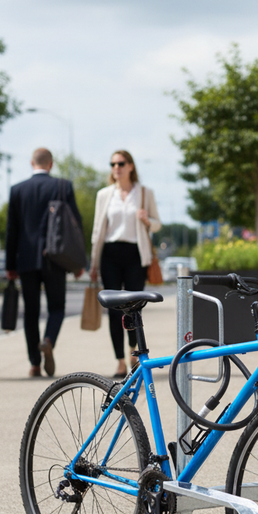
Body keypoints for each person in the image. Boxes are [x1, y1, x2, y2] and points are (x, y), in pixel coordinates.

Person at [6, 148, 83, 377]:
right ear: (51, 164)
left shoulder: (17, 190)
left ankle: (34, 364)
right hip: (55, 258)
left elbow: (12, 230)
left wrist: (10, 265)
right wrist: (78, 262)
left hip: (27, 259)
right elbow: (74, 225)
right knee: (56, 307)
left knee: (31, 312)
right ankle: (48, 339)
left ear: (32, 163)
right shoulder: (63, 186)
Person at [90, 150, 161, 378]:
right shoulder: (104, 194)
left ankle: (134, 353)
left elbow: (158, 224)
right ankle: (119, 361)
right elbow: (96, 231)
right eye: (112, 164)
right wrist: (93, 263)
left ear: (130, 166)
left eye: (120, 163)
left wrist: (147, 220)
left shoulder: (144, 193)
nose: (116, 167)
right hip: (110, 253)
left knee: (133, 307)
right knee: (112, 310)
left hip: (134, 254)